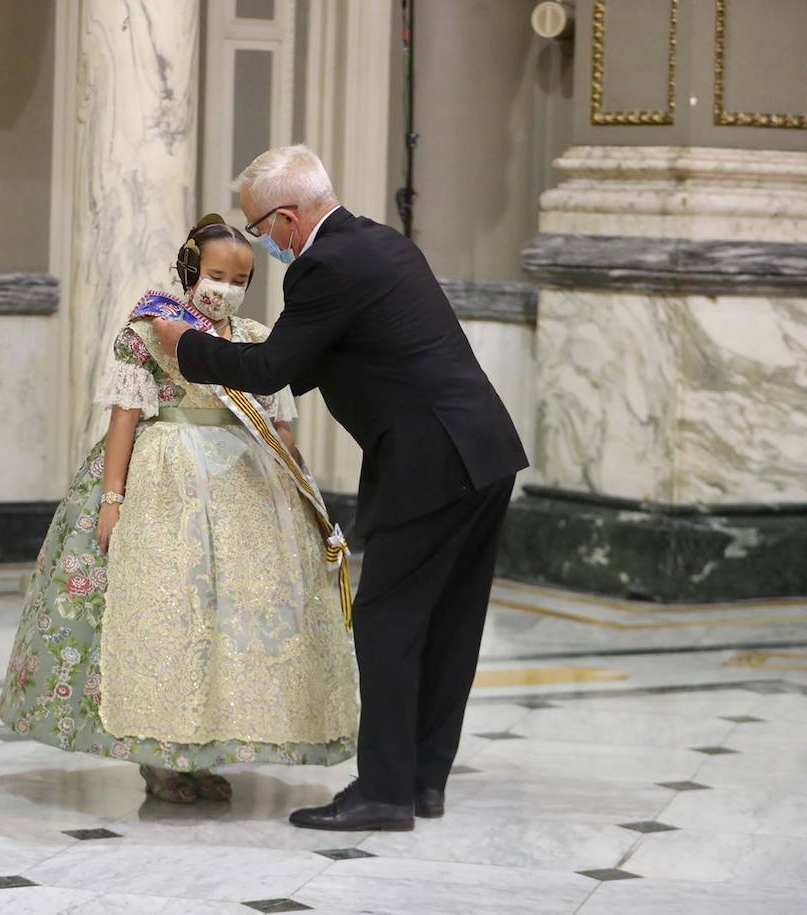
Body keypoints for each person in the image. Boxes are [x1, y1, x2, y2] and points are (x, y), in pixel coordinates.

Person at [152, 146, 528, 832]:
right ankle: (421, 782)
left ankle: (383, 792)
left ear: (288, 217)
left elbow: (271, 368)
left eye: (262, 230)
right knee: (449, 625)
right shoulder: (380, 243)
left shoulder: (327, 265)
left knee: (388, 620)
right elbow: (320, 359)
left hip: (432, 462)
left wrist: (184, 344)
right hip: (482, 451)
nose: (263, 244)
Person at [0, 215, 358, 803]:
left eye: (240, 279)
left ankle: (206, 746)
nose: (228, 289)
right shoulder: (151, 331)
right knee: (169, 614)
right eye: (217, 275)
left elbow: (280, 426)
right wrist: (112, 499)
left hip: (244, 481)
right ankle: (161, 755)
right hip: (165, 479)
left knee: (227, 621)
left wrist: (297, 494)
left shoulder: (253, 336)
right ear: (191, 270)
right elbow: (124, 416)